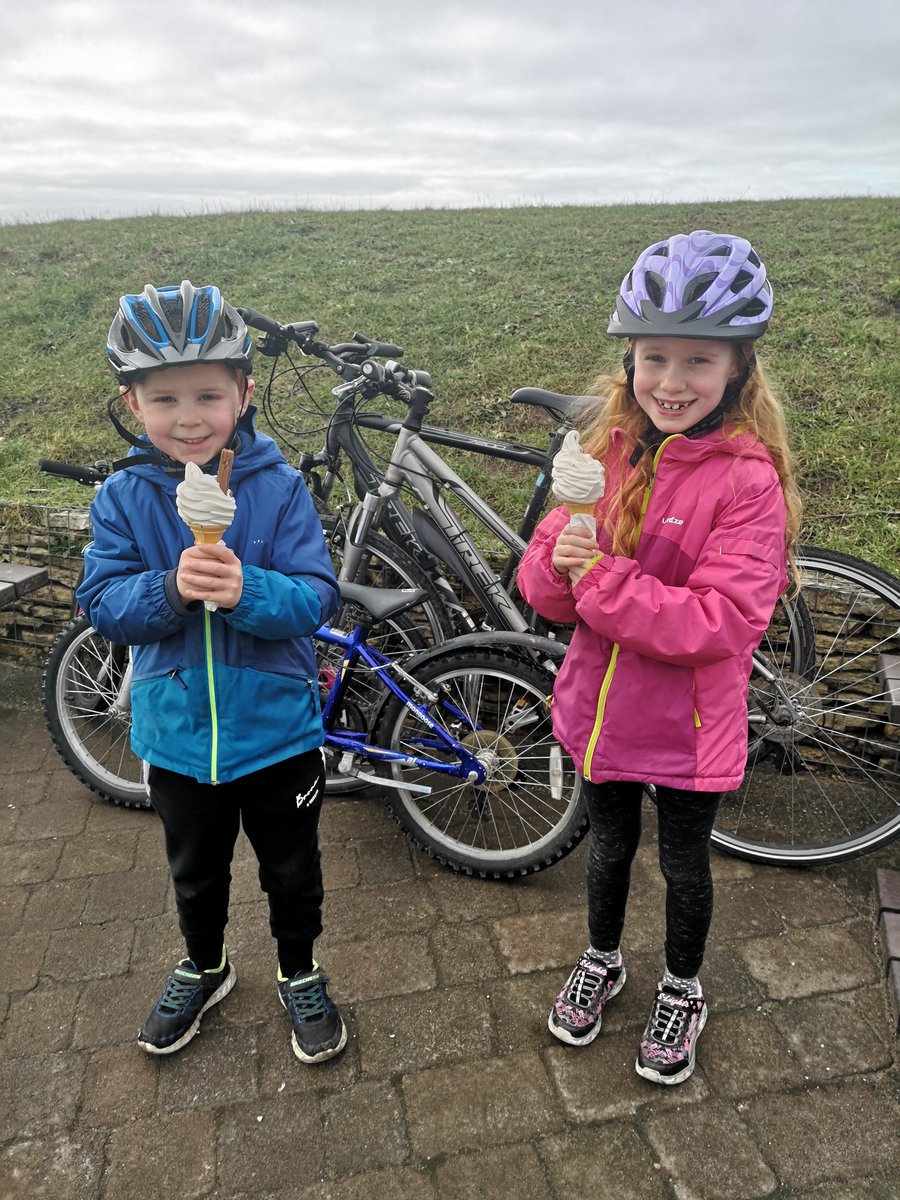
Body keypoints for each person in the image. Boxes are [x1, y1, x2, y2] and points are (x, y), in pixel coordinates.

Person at [517, 231, 801, 1085]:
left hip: (687, 726)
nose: (671, 382)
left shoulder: (748, 483)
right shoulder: (604, 450)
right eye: (653, 358)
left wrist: (598, 580)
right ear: (629, 361)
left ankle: (683, 984)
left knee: (682, 864)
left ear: (738, 371)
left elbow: (722, 620)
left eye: (698, 362)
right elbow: (547, 589)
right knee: (605, 849)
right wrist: (558, 561)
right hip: (599, 711)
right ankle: (603, 956)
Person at [77, 281, 346, 1064]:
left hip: (280, 733)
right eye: (165, 399)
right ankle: (207, 963)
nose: (188, 418)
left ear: (244, 392)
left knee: (292, 872)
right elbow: (100, 601)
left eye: (207, 395)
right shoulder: (124, 498)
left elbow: (317, 597)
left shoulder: (280, 487)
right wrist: (168, 590)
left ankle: (299, 970)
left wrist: (247, 590)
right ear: (133, 404)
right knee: (194, 872)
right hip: (177, 735)